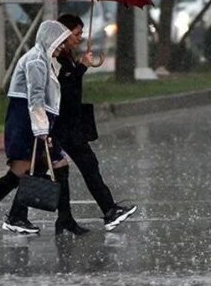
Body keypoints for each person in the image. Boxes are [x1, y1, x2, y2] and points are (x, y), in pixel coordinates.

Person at [0, 20, 88, 236]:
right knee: (19, 173)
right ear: (48, 39)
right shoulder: (36, 61)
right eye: (58, 42)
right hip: (26, 124)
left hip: (36, 123)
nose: (61, 46)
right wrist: (42, 132)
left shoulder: (45, 60)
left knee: (58, 167)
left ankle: (62, 218)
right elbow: (36, 99)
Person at [17, 13, 137, 231]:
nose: (80, 38)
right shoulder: (54, 58)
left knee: (62, 170)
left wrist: (80, 66)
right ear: (62, 33)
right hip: (61, 126)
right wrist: (80, 68)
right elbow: (60, 90)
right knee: (50, 170)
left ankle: (66, 218)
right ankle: (105, 211)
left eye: (81, 33)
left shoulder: (65, 56)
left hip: (70, 125)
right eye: (77, 33)